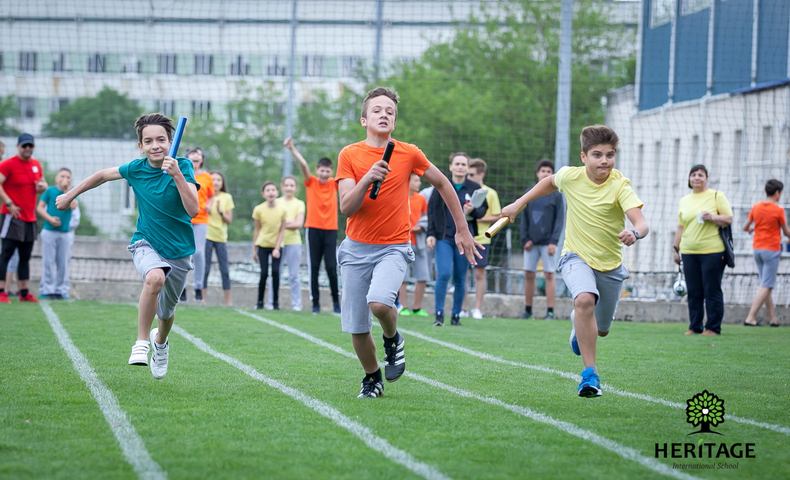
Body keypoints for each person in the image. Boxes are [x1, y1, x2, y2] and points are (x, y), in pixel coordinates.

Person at [336, 86, 480, 398]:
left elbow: (443, 184)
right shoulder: (350, 154)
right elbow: (346, 207)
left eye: (390, 111)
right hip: (355, 247)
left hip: (394, 246)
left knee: (379, 302)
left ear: (395, 122)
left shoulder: (408, 152)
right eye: (377, 110)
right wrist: (367, 178)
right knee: (358, 328)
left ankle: (392, 338)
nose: (384, 114)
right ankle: (373, 378)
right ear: (364, 120)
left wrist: (462, 229)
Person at [500, 125, 649, 398]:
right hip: (574, 255)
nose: (604, 160)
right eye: (597, 155)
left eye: (610, 154)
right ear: (584, 157)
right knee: (584, 300)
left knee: (601, 330)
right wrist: (517, 205)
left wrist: (634, 232)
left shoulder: (620, 185)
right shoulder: (570, 176)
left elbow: (641, 222)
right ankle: (590, 376)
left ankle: (577, 327)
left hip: (610, 265)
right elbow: (548, 183)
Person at [56, 113, 200, 379]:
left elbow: (193, 210)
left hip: (179, 250)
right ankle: (142, 341)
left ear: (170, 141)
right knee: (154, 278)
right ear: (141, 146)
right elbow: (102, 175)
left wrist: (177, 174)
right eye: (148, 141)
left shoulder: (183, 166)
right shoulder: (135, 168)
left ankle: (160, 343)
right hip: (146, 242)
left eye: (161, 139)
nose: (155, 145)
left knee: (166, 313)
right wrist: (69, 195)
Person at [426, 152, 487, 326]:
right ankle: (438, 314)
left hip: (465, 240)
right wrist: (431, 233)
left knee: (461, 278)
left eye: (463, 164)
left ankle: (456, 315)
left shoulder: (474, 188)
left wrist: (472, 211)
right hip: (444, 237)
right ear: (451, 166)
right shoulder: (442, 184)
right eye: (457, 164)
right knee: (443, 273)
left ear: (468, 168)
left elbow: (483, 210)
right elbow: (432, 210)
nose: (460, 167)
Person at [672, 164, 733, 336]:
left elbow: (729, 218)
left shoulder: (716, 196)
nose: (697, 178)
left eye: (700, 175)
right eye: (693, 175)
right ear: (689, 179)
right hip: (689, 252)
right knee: (694, 291)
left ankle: (713, 328)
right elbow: (680, 227)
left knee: (711, 290)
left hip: (712, 251)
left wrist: (712, 217)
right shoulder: (684, 200)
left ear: (707, 178)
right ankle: (695, 326)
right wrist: (675, 249)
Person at [285, 137, 341, 315]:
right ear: (317, 171)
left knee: (332, 267)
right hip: (313, 229)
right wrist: (292, 149)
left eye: (327, 171)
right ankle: (315, 304)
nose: (324, 174)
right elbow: (303, 166)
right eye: (321, 171)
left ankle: (336, 303)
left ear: (331, 172)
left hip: (331, 229)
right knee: (314, 267)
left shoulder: (334, 184)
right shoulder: (312, 182)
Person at [0, 133, 48, 304]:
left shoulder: (35, 165)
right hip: (12, 216)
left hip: (30, 218)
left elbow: (43, 184)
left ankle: (24, 292)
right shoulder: (8, 164)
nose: (27, 149)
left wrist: (43, 186)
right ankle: (1, 292)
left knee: (25, 256)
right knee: (6, 253)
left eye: (30, 146)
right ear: (18, 146)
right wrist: (9, 203)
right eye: (24, 146)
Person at [519, 159, 565, 320]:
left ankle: (550, 311)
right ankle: (528, 310)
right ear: (537, 173)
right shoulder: (529, 192)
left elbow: (559, 219)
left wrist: (554, 241)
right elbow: (523, 217)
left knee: (549, 274)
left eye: (549, 171)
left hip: (548, 244)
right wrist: (525, 239)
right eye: (543, 171)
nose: (545, 173)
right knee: (529, 274)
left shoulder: (557, 195)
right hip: (531, 243)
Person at [743, 179, 789, 327]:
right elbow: (786, 231)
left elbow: (745, 227)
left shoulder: (756, 207)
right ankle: (750, 317)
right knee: (766, 285)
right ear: (777, 193)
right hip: (771, 250)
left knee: (765, 284)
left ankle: (773, 318)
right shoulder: (778, 210)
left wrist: (753, 229)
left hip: (757, 249)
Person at [463, 157, 502, 319]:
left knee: (479, 274)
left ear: (481, 175)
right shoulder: (463, 190)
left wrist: (478, 218)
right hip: (465, 238)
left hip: (481, 239)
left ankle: (477, 308)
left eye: (472, 175)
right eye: (468, 174)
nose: (469, 178)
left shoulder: (490, 193)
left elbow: (498, 215)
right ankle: (462, 308)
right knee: (462, 274)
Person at [37, 168, 79, 300]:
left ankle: (60, 290)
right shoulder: (50, 191)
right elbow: (40, 208)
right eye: (62, 176)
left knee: (63, 263)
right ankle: (47, 289)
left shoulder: (72, 192)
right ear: (56, 178)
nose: (64, 179)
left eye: (67, 177)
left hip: (65, 233)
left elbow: (73, 206)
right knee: (48, 261)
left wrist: (68, 191)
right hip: (49, 231)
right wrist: (50, 219)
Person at [181, 147, 215, 304]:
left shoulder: (207, 177)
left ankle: (198, 287)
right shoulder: (181, 172)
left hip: (201, 219)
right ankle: (182, 287)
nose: (195, 157)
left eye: (198, 155)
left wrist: (209, 204)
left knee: (199, 253)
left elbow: (211, 196)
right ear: (187, 157)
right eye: (192, 154)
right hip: (183, 218)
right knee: (183, 253)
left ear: (202, 159)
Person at [267, 175, 306, 311]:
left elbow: (298, 223)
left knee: (294, 275)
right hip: (277, 243)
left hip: (293, 242)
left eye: (292, 185)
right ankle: (271, 302)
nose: (289, 188)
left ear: (296, 188)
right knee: (275, 273)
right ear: (282, 187)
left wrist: (283, 223)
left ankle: (296, 304)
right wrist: (288, 222)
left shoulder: (299, 204)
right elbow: (272, 222)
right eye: (286, 185)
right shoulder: (276, 202)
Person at [398, 173, 429, 317]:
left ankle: (417, 308)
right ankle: (403, 307)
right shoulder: (398, 197)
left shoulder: (421, 199)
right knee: (401, 277)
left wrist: (421, 226)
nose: (419, 183)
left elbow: (426, 217)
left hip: (419, 243)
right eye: (416, 181)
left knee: (422, 276)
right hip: (402, 243)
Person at [252, 181, 286, 310]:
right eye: (268, 190)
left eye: (273, 190)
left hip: (276, 246)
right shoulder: (258, 209)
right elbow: (256, 229)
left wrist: (277, 248)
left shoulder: (282, 209)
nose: (271, 192)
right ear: (263, 194)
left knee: (276, 272)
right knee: (264, 273)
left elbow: (282, 230)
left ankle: (275, 303)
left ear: (277, 193)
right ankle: (260, 302)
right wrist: (254, 249)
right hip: (263, 244)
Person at [203, 171, 234, 307]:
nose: (215, 182)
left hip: (221, 238)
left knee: (224, 270)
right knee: (205, 269)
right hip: (206, 236)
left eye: (218, 180)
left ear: (222, 183)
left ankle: (228, 302)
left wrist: (220, 211)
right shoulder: (205, 196)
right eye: (213, 179)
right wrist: (207, 208)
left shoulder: (226, 197)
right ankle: (203, 300)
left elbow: (229, 220)